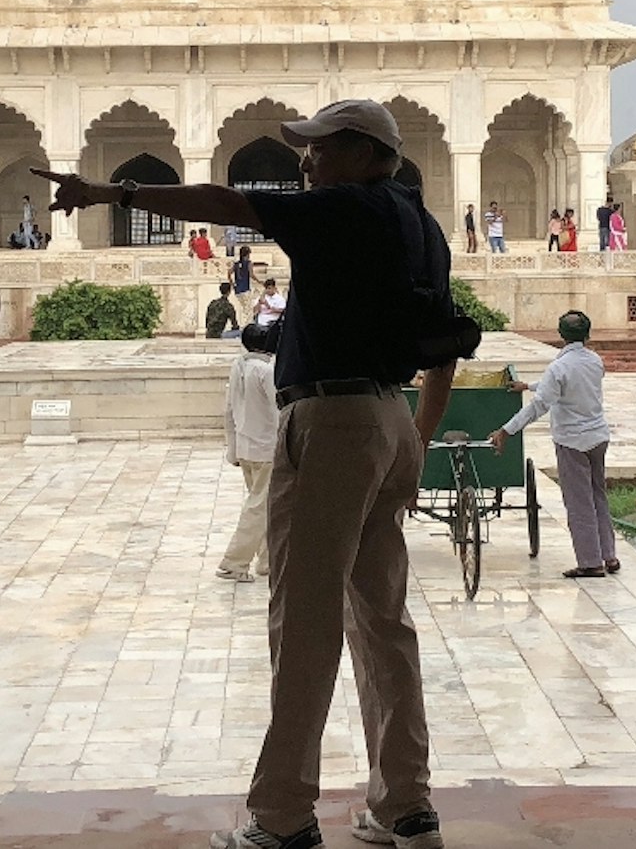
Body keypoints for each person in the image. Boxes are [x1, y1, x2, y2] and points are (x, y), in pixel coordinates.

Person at [33, 98, 455, 849]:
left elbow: (229, 201)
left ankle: (284, 816)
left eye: (319, 150)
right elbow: (446, 334)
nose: (305, 163)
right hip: (388, 416)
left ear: (363, 152)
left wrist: (114, 193)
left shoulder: (343, 209)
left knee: (305, 622)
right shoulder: (417, 223)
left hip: (331, 424)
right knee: (384, 622)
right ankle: (406, 805)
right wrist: (416, 435)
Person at [490, 310, 617, 579]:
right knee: (598, 496)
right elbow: (566, 384)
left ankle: (590, 562)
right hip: (598, 437)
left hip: (572, 441)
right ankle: (609, 555)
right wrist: (529, 385)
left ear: (560, 336)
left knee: (578, 502)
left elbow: (541, 405)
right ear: (588, 334)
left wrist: (506, 430)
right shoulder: (595, 361)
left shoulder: (558, 368)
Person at [219, 322, 282, 582]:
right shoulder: (266, 371)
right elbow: (279, 408)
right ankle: (235, 561)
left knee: (264, 506)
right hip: (266, 448)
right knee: (258, 507)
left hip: (246, 447)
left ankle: (268, 562)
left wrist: (232, 448)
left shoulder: (239, 366)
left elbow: (229, 410)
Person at [232, 245, 256, 318]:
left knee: (241, 309)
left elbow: (229, 272)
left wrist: (232, 283)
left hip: (237, 289)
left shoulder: (236, 264)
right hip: (245, 289)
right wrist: (259, 281)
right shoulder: (249, 263)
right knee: (248, 310)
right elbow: (251, 275)